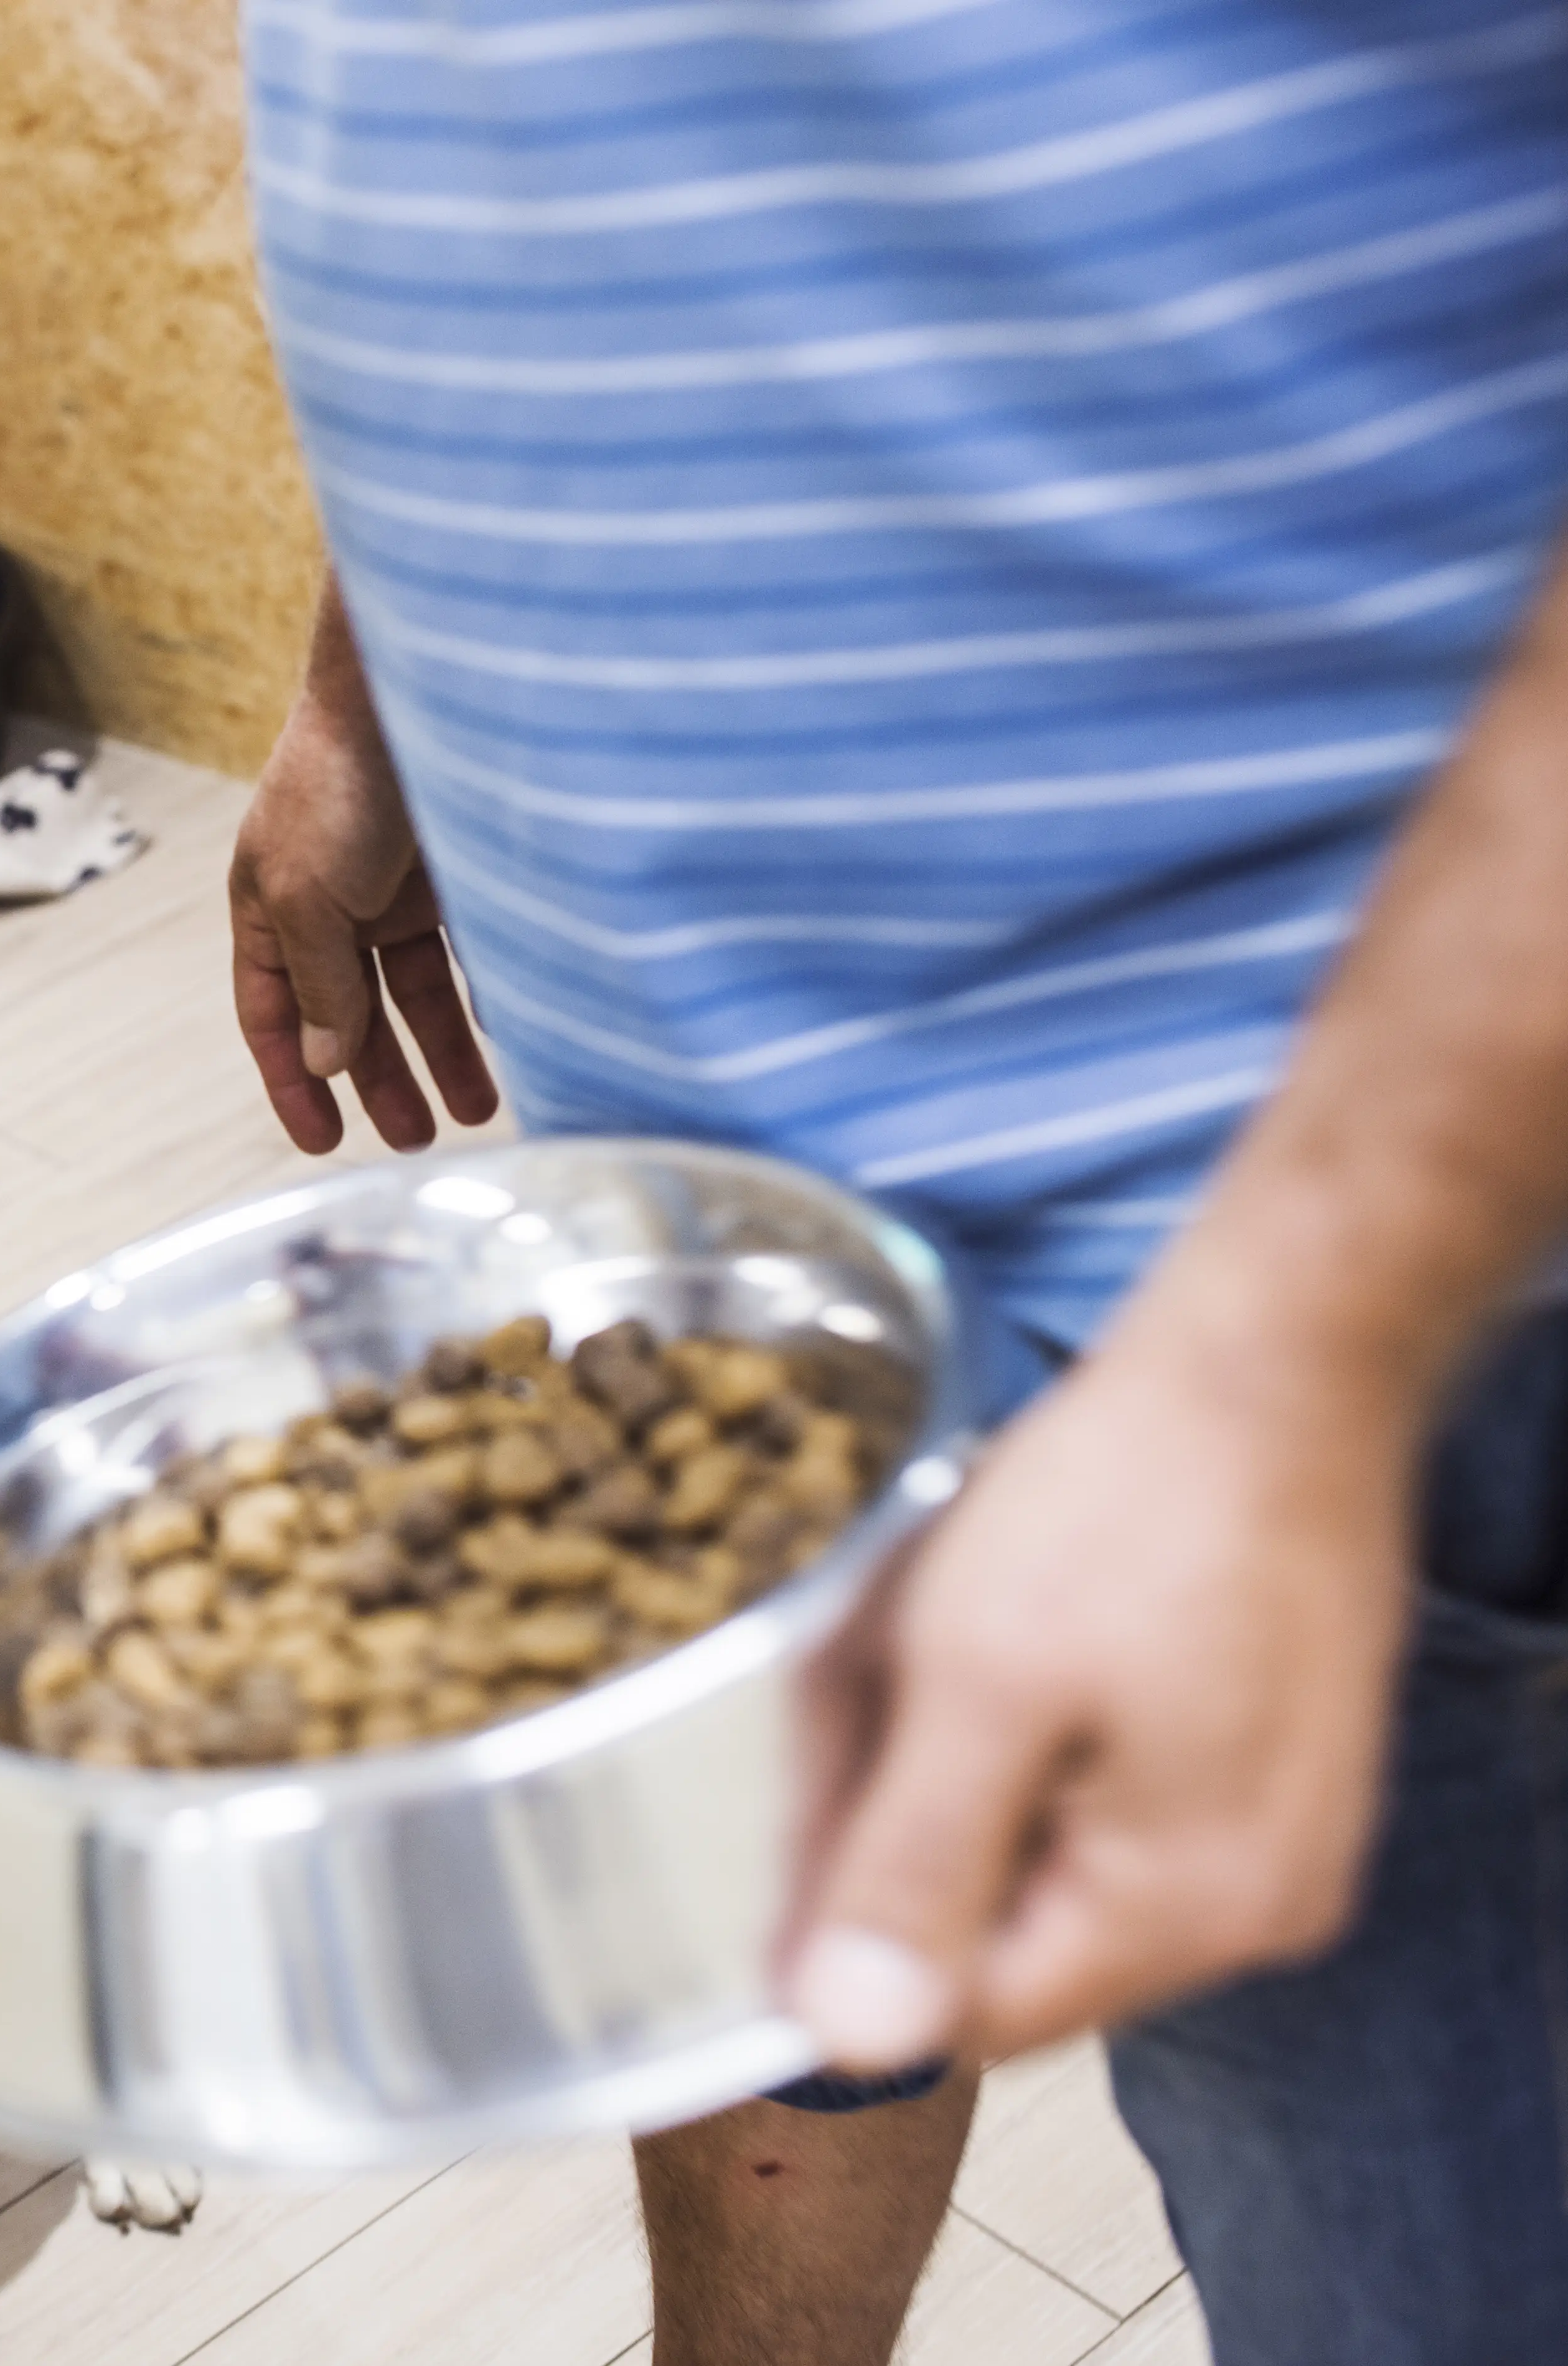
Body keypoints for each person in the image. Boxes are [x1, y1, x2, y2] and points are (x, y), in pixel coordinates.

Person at [221, 7, 1568, 2362]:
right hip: (694, 1182)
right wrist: (368, 685)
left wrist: (1287, 1349)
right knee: (768, 1943)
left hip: (1353, 1263)